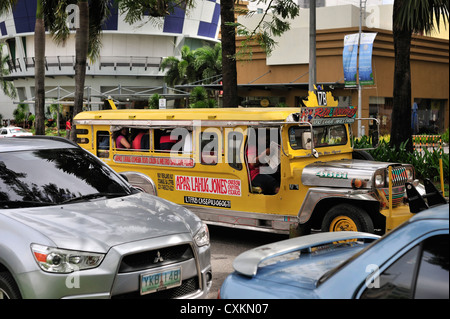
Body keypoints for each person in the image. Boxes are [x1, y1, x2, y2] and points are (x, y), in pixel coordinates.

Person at [246, 130, 280, 195]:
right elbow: (252, 163)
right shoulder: (252, 147)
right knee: (272, 183)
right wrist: (265, 153)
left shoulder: (263, 147)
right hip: (254, 175)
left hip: (264, 171)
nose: (266, 140)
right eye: (264, 137)